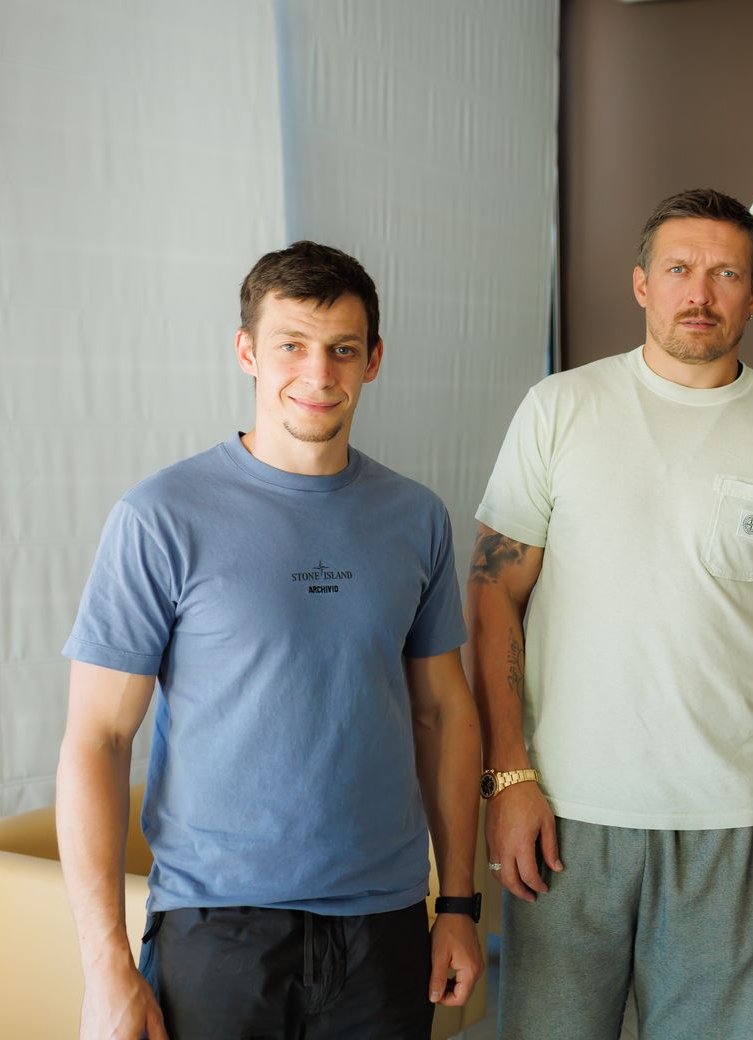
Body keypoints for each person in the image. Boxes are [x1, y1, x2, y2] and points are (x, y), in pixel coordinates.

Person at [56, 241, 484, 1040]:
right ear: (247, 351)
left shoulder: (416, 517)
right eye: (292, 345)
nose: (318, 373)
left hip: (385, 926)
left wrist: (457, 902)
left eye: (343, 349)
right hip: (216, 930)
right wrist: (106, 965)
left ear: (373, 360)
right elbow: (98, 739)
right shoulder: (161, 517)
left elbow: (443, 714)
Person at [468, 188, 753, 1039]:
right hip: (565, 808)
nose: (701, 292)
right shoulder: (560, 408)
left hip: (729, 816)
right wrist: (507, 777)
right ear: (642, 283)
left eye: (726, 274)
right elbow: (493, 590)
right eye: (680, 269)